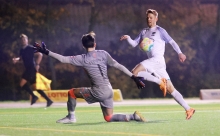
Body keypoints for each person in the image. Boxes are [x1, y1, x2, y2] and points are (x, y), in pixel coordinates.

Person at [33, 32, 146, 123]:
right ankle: (133, 116)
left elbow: (63, 59)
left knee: (72, 93)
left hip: (99, 91)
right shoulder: (103, 53)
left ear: (83, 46)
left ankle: (71, 117)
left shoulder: (82, 58)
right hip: (109, 89)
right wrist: (134, 77)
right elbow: (118, 66)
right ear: (95, 44)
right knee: (108, 118)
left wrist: (46, 52)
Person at [120, 9, 195, 120]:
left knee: (135, 72)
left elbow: (172, 42)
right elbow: (134, 44)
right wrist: (128, 38)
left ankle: (160, 82)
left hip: (157, 60)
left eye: (151, 17)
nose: (149, 19)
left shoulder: (160, 30)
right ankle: (189, 109)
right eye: (147, 18)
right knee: (171, 89)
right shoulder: (144, 32)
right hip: (156, 63)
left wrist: (180, 53)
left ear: (156, 19)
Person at [13, 34, 53, 107]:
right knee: (35, 87)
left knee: (21, 84)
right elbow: (21, 57)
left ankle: (34, 96)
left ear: (27, 40)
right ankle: (49, 100)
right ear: (20, 41)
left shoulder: (30, 48)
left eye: (24, 39)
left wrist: (37, 64)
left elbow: (40, 54)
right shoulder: (22, 50)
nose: (23, 41)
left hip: (31, 69)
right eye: (22, 40)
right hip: (28, 69)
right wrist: (17, 59)